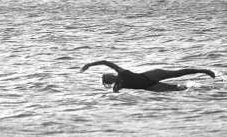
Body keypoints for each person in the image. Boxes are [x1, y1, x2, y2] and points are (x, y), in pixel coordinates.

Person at [80, 60, 215, 92]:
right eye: (108, 79)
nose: (110, 77)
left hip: (151, 76)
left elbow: (105, 62)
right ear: (108, 82)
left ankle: (203, 71)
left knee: (178, 73)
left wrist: (90, 65)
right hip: (151, 87)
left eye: (108, 75)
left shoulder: (120, 72)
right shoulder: (117, 87)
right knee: (177, 89)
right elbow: (115, 103)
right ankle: (201, 89)